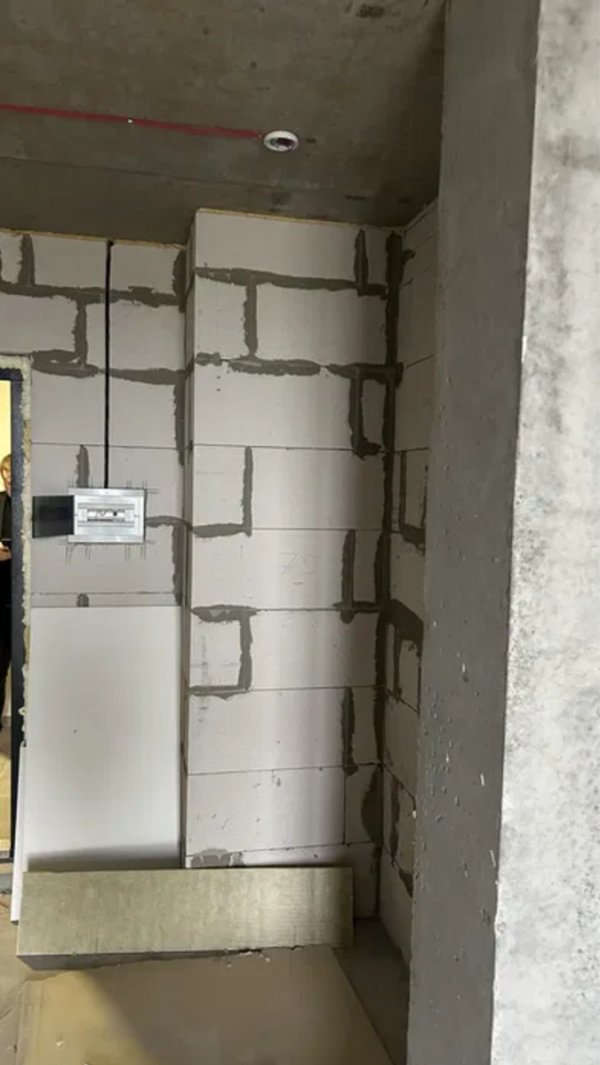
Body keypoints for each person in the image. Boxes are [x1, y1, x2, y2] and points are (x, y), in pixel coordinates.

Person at [0, 455, 11, 729]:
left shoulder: (32, 502)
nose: (9, 477)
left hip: (24, 601)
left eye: (12, 471)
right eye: (4, 471)